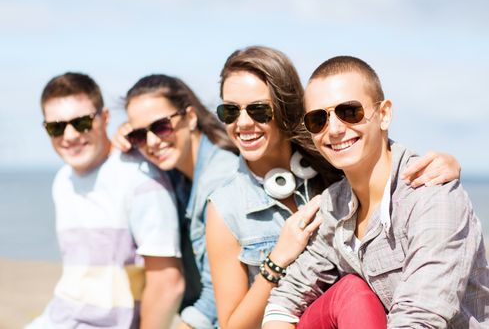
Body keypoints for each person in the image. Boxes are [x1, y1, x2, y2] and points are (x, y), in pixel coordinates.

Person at [205, 46, 463, 329]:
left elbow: (375, 149)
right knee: (352, 291)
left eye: (258, 110)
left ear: (285, 109)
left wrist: (446, 166)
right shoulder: (228, 206)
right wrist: (277, 260)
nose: (243, 122)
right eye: (230, 111)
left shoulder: (332, 169)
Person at [263, 56, 489, 328]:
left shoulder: (431, 196)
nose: (334, 129)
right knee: (349, 290)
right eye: (318, 119)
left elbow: (420, 317)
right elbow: (288, 297)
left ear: (383, 114)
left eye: (349, 112)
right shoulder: (335, 204)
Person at [27, 72, 184, 329]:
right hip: (58, 318)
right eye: (56, 127)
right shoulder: (63, 181)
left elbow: (168, 283)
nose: (69, 136)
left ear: (105, 118)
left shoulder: (140, 178)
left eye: (81, 123)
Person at [115, 74, 239, 329]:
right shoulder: (179, 174)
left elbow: (218, 295)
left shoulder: (221, 180)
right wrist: (119, 143)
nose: (151, 142)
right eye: (139, 134)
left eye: (161, 126)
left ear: (190, 117)